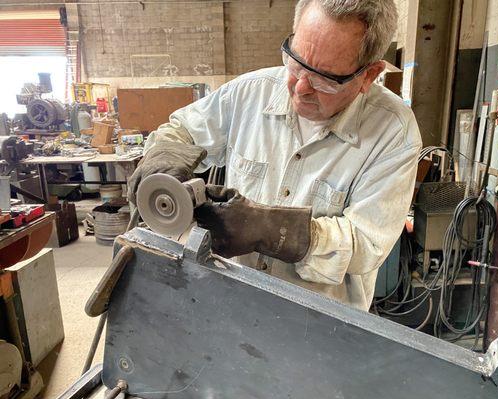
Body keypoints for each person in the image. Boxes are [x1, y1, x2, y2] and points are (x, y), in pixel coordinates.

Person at [128, 0, 422, 311]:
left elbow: (365, 244)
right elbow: (181, 131)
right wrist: (163, 159)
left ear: (368, 75)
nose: (301, 87)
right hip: (232, 301)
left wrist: (268, 229)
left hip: (317, 324)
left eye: (324, 78)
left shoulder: (394, 134)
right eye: (296, 62)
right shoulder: (248, 93)